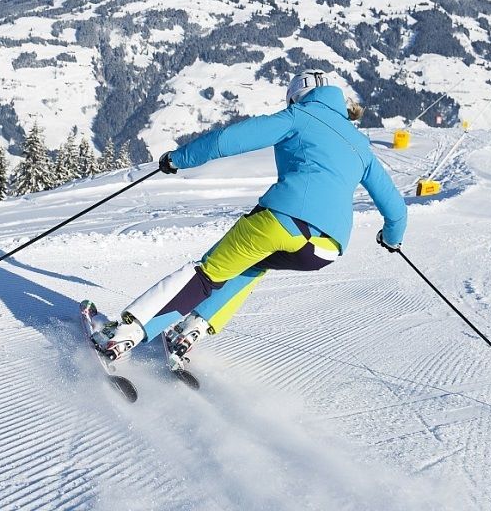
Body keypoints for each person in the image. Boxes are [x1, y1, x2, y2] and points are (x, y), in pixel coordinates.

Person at [94, 69, 408, 366]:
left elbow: (228, 140)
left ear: (296, 97)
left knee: (207, 273)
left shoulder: (300, 116)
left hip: (283, 219)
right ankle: (189, 331)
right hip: (325, 250)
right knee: (253, 264)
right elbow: (396, 208)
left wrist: (179, 159)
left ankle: (123, 334)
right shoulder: (360, 145)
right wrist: (392, 239)